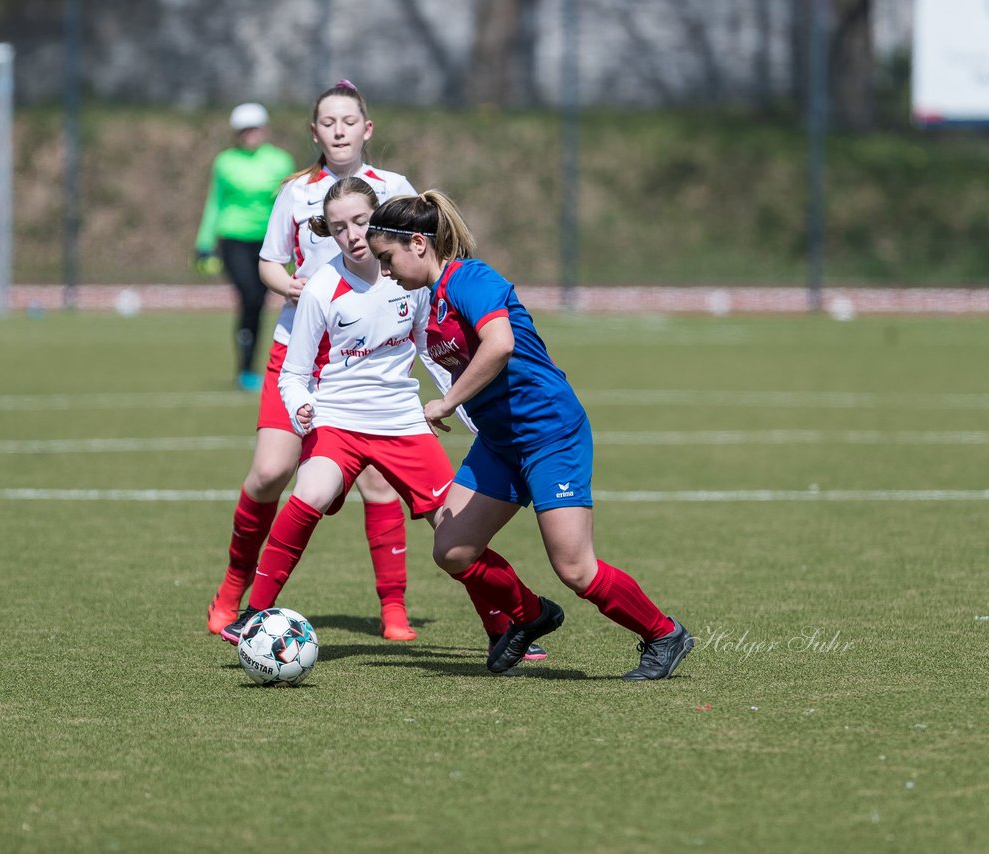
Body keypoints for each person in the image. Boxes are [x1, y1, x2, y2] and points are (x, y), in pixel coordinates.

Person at [218, 177, 553, 663]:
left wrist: (460, 406)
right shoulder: (320, 288)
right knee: (307, 493)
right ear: (328, 233)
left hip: (402, 422)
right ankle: (256, 611)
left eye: (359, 222)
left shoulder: (408, 278)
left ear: (377, 220)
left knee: (454, 529)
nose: (351, 235)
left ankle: (506, 626)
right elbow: (293, 372)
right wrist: (301, 406)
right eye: (338, 228)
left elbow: (432, 352)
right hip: (338, 420)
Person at [364, 189, 695, 680]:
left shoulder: (471, 278)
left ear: (417, 243)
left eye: (386, 257)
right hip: (501, 442)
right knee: (452, 549)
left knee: (575, 568)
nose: (384, 270)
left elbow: (500, 345)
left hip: (549, 434)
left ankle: (663, 634)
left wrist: (449, 401)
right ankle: (531, 614)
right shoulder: (431, 301)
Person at [204, 81, 424, 645]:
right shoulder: (296, 191)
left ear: (367, 128)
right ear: (314, 132)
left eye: (350, 120)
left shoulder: (395, 188)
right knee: (271, 472)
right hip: (298, 351)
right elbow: (270, 264)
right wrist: (303, 290)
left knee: (377, 483)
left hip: (365, 357)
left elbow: (417, 258)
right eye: (328, 122)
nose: (340, 130)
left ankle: (393, 609)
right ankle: (233, 589)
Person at [194, 102, 295, 392]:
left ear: (264, 129)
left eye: (255, 128)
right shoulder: (225, 162)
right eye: (244, 130)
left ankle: (253, 368)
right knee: (250, 296)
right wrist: (203, 243)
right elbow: (215, 202)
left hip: (269, 243)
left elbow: (287, 206)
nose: (250, 134)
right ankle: (246, 369)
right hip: (233, 239)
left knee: (258, 303)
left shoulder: (281, 162)